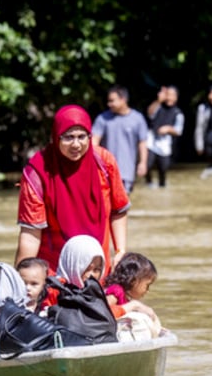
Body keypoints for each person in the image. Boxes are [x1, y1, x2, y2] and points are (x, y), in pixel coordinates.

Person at [15, 104, 131, 276]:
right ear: (56, 137)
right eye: (68, 137)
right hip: (55, 271)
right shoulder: (38, 173)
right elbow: (31, 234)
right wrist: (20, 282)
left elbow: (118, 210)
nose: (76, 144)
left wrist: (120, 251)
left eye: (82, 136)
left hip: (97, 268)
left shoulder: (104, 163)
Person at [91, 85, 149, 193]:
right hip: (105, 170)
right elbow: (94, 141)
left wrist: (143, 163)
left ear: (123, 99)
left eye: (112, 101)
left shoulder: (137, 119)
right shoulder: (103, 118)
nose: (109, 104)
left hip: (127, 171)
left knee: (123, 206)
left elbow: (143, 143)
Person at [104, 252, 163, 340]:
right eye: (147, 285)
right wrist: (134, 305)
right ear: (133, 281)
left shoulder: (125, 296)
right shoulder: (116, 292)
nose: (147, 290)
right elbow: (102, 313)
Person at [145, 85, 185, 188]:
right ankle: (149, 183)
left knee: (163, 168)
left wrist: (168, 129)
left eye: (172, 95)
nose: (169, 98)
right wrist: (158, 100)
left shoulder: (178, 113)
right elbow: (149, 113)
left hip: (165, 144)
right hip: (151, 140)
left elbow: (178, 131)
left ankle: (162, 185)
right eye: (167, 94)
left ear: (176, 98)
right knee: (147, 165)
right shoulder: (158, 107)